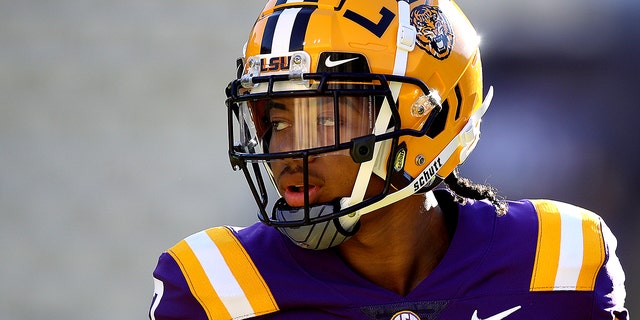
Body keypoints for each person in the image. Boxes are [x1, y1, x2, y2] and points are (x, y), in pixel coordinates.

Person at [149, 0, 629, 319]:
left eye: (326, 118)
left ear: (428, 119)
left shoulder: (558, 258)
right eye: (276, 122)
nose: (287, 153)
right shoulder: (215, 286)